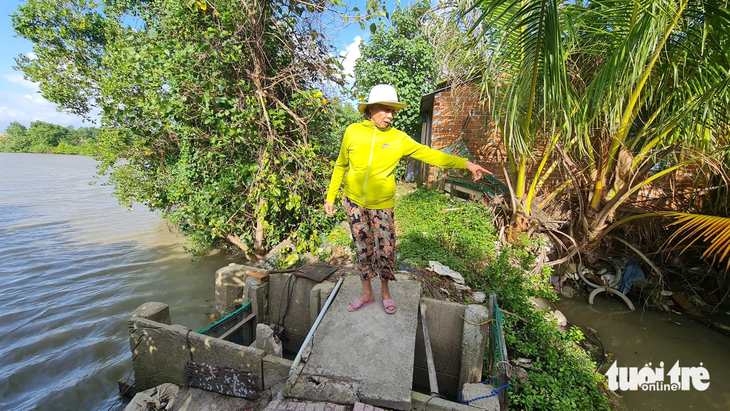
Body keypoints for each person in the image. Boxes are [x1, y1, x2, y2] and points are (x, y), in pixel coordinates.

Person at [324, 84, 490, 314]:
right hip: (353, 202)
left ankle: (384, 292)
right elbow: (341, 164)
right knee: (362, 247)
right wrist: (330, 195)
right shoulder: (352, 131)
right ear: (370, 109)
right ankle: (366, 293)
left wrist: (465, 163)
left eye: (393, 110)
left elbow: (430, 154)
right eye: (385, 109)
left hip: (382, 204)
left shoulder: (398, 138)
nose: (390, 115)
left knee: (386, 248)